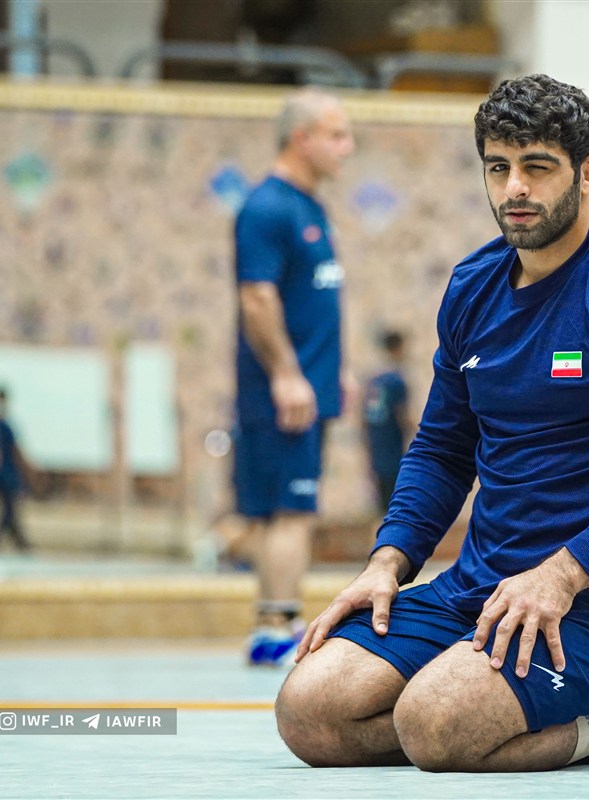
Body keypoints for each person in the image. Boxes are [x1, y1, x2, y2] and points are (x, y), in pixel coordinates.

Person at [275, 74, 589, 772]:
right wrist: (387, 562)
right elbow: (441, 448)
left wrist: (562, 576)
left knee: (436, 725)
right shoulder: (472, 287)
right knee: (309, 713)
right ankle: (490, 715)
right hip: (479, 585)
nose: (515, 188)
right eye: (499, 167)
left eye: (537, 167)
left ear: (588, 173)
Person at [232, 87, 355, 666]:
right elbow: (256, 297)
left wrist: (337, 370)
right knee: (290, 511)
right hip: (285, 393)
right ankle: (277, 627)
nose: (346, 147)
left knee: (286, 510)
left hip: (312, 384)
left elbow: (314, 302)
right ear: (300, 139)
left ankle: (272, 621)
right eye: (337, 135)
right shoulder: (267, 208)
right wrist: (286, 374)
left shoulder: (311, 207)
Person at [362, 331, 414, 520]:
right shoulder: (397, 381)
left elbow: (364, 417)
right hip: (393, 447)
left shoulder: (373, 381)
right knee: (396, 503)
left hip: (376, 446)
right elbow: (402, 415)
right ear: (398, 348)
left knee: (381, 503)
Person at [0, 386, 37, 551]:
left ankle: (12, 540)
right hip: (5, 473)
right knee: (9, 508)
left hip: (5, 472)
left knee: (9, 508)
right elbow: (12, 450)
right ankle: (7, 540)